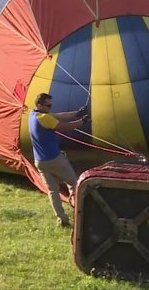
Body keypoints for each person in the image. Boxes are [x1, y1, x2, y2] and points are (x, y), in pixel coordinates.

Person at [28, 93, 88, 228]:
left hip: (40, 161)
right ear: (40, 105)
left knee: (53, 191)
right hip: (54, 159)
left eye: (51, 105)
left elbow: (59, 115)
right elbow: (64, 127)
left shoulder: (34, 115)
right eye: (48, 105)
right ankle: (79, 213)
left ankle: (62, 220)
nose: (50, 108)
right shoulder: (44, 118)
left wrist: (77, 113)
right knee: (74, 184)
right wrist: (82, 122)